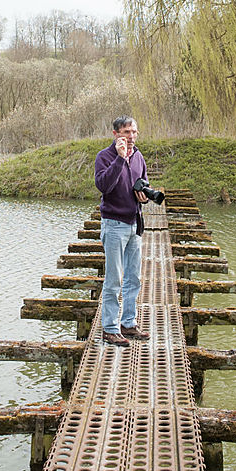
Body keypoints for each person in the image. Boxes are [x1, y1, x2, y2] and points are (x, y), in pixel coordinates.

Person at [94, 116, 151, 346]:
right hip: (114, 224)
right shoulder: (104, 157)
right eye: (126, 132)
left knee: (133, 278)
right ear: (115, 133)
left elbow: (143, 183)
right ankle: (109, 328)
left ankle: (128, 323)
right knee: (113, 279)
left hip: (134, 223)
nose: (131, 136)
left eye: (134, 132)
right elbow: (104, 186)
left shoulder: (138, 156)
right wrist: (119, 159)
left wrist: (144, 196)